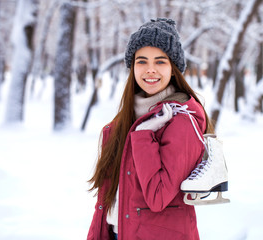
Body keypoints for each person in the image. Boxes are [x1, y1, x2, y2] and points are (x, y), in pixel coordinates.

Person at [87, 18, 214, 240]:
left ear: (174, 69)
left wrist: (144, 137)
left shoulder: (182, 120)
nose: (150, 70)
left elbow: (158, 196)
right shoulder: (125, 120)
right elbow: (108, 200)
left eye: (160, 62)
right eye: (142, 61)